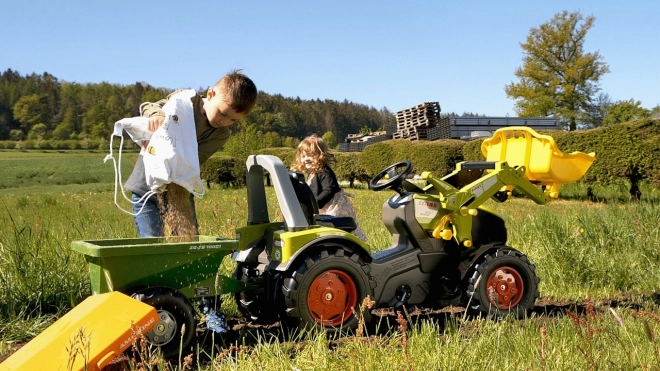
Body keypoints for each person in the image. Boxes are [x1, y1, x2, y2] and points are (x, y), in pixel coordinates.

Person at [125, 70, 257, 237]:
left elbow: (193, 161)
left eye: (233, 120)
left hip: (179, 193)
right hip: (146, 190)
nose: (224, 122)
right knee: (152, 243)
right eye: (223, 113)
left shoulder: (220, 134)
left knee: (189, 240)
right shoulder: (186, 100)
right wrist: (157, 117)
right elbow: (149, 106)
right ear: (211, 94)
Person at [291, 134, 368, 242]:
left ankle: (356, 243)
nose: (306, 159)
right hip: (323, 208)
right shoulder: (312, 174)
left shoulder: (325, 172)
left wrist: (314, 204)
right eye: (303, 156)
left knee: (340, 231)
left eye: (310, 155)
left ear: (320, 155)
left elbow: (329, 190)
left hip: (335, 208)